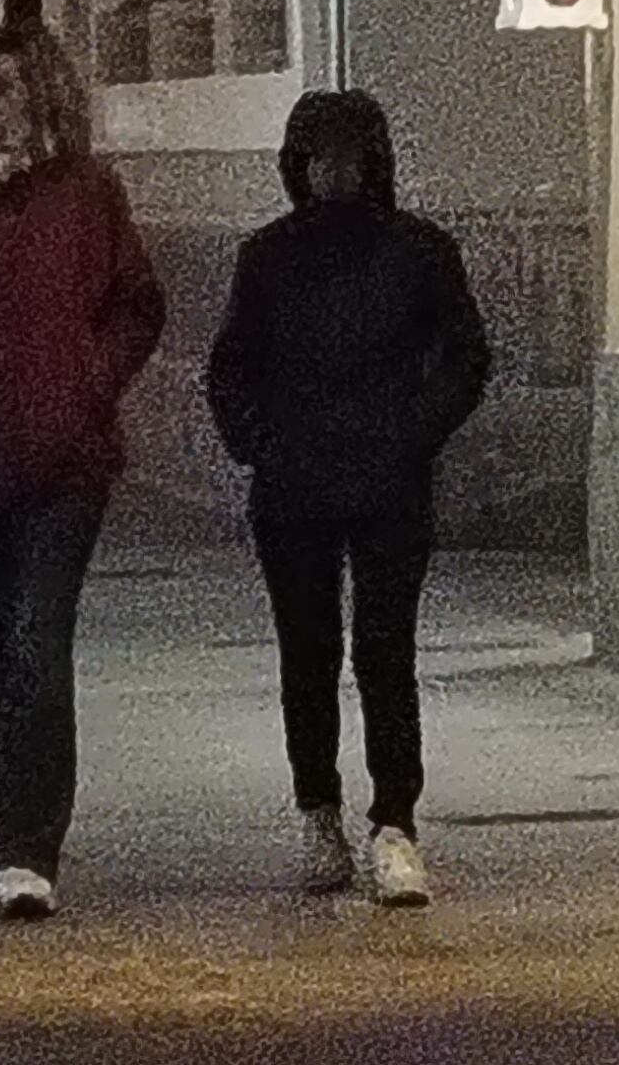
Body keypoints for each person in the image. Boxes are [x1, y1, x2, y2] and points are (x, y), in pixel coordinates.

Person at [0, 18, 165, 925]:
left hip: (63, 460)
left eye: (12, 85)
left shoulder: (86, 195)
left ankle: (26, 846)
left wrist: (88, 379)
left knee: (36, 649)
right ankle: (1, 798)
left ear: (42, 95)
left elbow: (136, 305)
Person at [205, 87, 492, 911]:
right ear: (300, 167)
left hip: (387, 481)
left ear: (374, 163)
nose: (336, 174)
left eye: (349, 158)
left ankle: (394, 819)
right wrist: (260, 443)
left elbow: (466, 355)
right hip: (295, 487)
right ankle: (318, 810)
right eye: (320, 159)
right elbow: (231, 366)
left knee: (385, 652)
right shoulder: (268, 257)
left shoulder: (419, 252)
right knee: (308, 655)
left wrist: (413, 432)